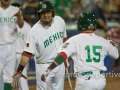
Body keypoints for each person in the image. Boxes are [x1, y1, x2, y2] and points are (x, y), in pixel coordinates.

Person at [41, 12, 119, 90]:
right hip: (101, 80)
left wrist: (49, 69)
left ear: (80, 24)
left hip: (85, 81)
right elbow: (116, 55)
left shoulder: (74, 40)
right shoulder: (103, 40)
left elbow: (62, 55)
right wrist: (112, 45)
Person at [11, 1, 68, 90]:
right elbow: (27, 53)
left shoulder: (60, 21)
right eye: (42, 13)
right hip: (44, 66)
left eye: (48, 12)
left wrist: (65, 57)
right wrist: (19, 71)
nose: (45, 15)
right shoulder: (34, 31)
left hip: (59, 64)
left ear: (52, 12)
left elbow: (64, 39)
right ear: (39, 14)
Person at [0, 0, 24, 90]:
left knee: (9, 76)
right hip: (0, 46)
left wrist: (19, 17)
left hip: (12, 46)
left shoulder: (15, 9)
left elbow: (21, 25)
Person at [10, 3, 31, 90]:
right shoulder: (6, 24)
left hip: (21, 55)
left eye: (18, 10)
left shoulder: (27, 26)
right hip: (9, 54)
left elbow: (29, 44)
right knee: (6, 79)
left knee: (22, 79)